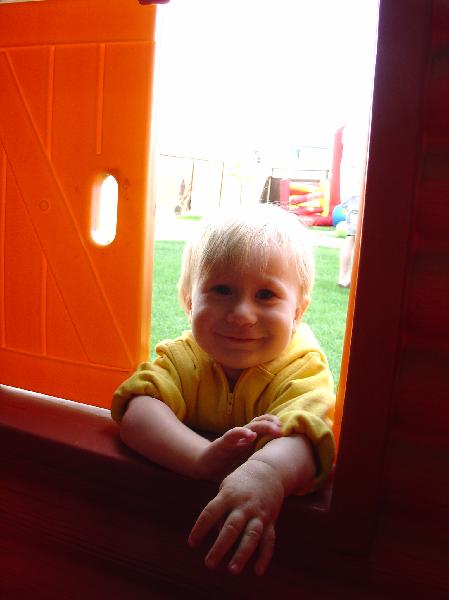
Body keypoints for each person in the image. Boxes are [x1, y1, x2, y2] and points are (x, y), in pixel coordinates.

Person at [111, 203, 335, 576]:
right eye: (222, 289)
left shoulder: (302, 368)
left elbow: (305, 438)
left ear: (298, 311)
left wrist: (265, 473)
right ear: (189, 302)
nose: (241, 313)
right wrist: (201, 459)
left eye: (266, 295)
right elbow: (137, 412)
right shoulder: (183, 357)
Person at [337, 122, 368, 288]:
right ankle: (348, 276)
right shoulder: (357, 151)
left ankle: (345, 276)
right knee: (356, 238)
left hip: (352, 196)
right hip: (357, 195)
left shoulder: (349, 152)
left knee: (352, 237)